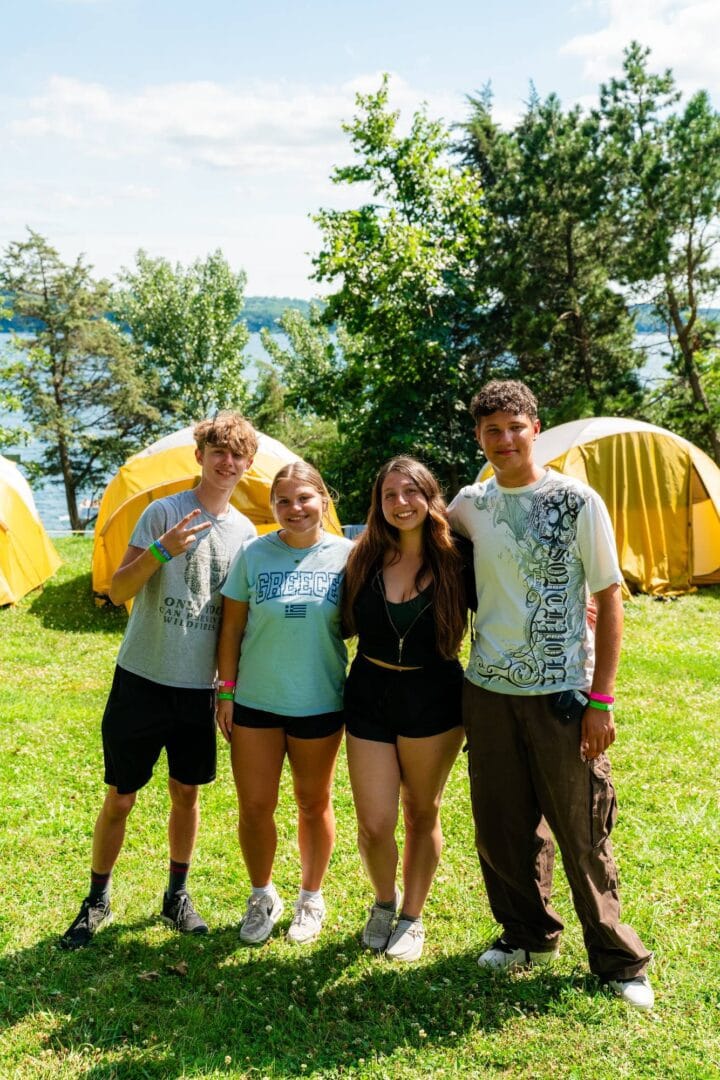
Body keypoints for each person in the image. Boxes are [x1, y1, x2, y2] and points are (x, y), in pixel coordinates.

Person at [447, 379, 654, 1010]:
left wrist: (602, 699)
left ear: (535, 427)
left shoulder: (576, 500)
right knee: (502, 823)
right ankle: (526, 935)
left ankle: (621, 962)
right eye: (491, 431)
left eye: (514, 427)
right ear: (479, 437)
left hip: (563, 691)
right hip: (486, 689)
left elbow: (610, 600)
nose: (504, 440)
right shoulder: (468, 504)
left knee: (581, 826)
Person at [60, 412, 258, 950]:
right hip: (142, 679)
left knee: (186, 793)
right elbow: (118, 590)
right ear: (200, 456)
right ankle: (96, 899)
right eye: (218, 451)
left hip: (197, 689)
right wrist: (159, 551)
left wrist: (226, 690)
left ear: (248, 464)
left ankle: (176, 896)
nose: (227, 462)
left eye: (238, 455)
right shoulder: (161, 513)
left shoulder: (245, 532)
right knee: (120, 798)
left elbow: (235, 621)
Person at [217, 462, 352, 946]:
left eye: (304, 499)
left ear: (323, 501)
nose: (294, 509)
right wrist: (226, 691)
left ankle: (311, 898)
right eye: (284, 501)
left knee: (314, 803)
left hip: (319, 701)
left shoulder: (348, 555)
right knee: (255, 806)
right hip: (256, 701)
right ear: (273, 506)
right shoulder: (254, 554)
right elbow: (230, 628)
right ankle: (262, 895)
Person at [341, 457, 468, 962]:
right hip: (368, 692)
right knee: (374, 823)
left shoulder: (459, 560)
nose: (400, 503)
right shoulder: (362, 557)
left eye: (411, 492)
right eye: (390, 494)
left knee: (421, 812)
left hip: (434, 697)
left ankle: (412, 918)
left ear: (430, 497)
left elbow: (508, 600)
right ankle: (383, 902)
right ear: (379, 503)